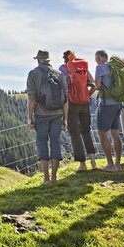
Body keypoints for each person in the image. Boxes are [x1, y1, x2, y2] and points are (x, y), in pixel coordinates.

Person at [26, 50, 68, 184]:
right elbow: (66, 99)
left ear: (38, 60)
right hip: (57, 114)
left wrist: (29, 117)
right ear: (49, 60)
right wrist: (65, 118)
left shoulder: (33, 74)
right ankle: (55, 177)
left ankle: (46, 178)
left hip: (41, 114)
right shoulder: (59, 74)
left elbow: (31, 98)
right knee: (55, 142)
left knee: (42, 142)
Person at [63, 50, 98, 171]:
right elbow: (94, 85)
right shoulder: (83, 68)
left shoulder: (64, 69)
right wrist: (88, 95)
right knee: (86, 131)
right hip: (85, 103)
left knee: (74, 133)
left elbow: (63, 88)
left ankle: (82, 164)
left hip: (72, 104)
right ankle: (93, 161)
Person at [94, 49, 123, 172]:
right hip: (117, 102)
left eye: (96, 58)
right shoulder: (114, 67)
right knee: (115, 133)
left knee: (102, 132)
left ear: (99, 58)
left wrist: (93, 82)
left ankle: (110, 164)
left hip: (106, 104)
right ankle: (117, 165)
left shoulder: (100, 67)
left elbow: (98, 85)